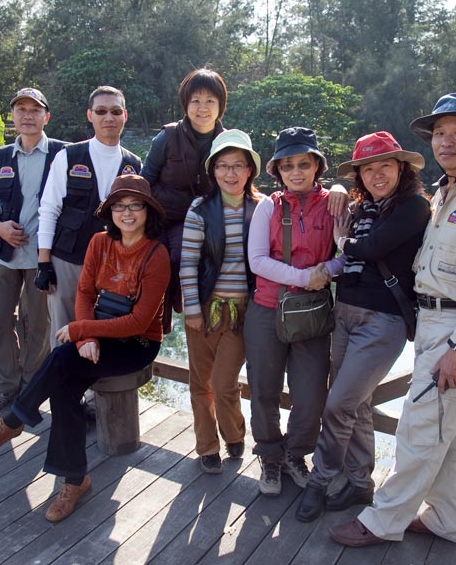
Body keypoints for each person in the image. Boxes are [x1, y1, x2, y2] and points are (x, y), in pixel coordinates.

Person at [330, 92, 456, 547]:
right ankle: (449, 519)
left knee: (420, 427)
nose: (447, 141)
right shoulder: (447, 191)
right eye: (440, 133)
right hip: (430, 320)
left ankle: (383, 520)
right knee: (449, 429)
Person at [0, 174, 170, 523]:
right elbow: (85, 293)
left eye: (135, 205)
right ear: (110, 212)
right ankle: (74, 480)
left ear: (148, 211)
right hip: (100, 333)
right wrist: (87, 338)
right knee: (64, 384)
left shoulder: (156, 254)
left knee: (61, 357)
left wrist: (80, 329)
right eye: (119, 206)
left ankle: (15, 421)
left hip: (136, 343)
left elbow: (139, 322)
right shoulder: (99, 243)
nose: (127, 212)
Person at [295, 131, 431, 522]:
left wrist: (342, 240)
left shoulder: (413, 206)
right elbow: (337, 204)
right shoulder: (361, 208)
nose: (377, 175)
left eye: (385, 166)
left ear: (401, 169)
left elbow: (370, 249)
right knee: (358, 404)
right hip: (345, 313)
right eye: (368, 169)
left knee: (338, 404)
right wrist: (338, 190)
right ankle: (359, 482)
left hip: (383, 321)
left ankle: (319, 481)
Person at [244, 127, 345, 496]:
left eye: (304, 164)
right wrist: (305, 276)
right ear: (278, 171)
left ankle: (295, 453)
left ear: (317, 165)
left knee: (311, 393)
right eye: (287, 166)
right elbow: (257, 260)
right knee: (263, 389)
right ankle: (270, 457)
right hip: (267, 309)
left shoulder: (334, 204)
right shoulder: (268, 206)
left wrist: (327, 270)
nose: (296, 172)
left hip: (312, 312)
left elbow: (349, 251)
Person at [180, 129, 263, 474]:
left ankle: (234, 433)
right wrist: (192, 310)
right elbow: (188, 263)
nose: (231, 173)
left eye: (238, 165)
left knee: (224, 381)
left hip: (243, 311)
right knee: (200, 383)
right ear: (213, 170)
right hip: (205, 306)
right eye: (223, 165)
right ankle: (207, 446)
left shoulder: (262, 208)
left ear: (250, 170)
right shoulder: (200, 209)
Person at [0, 88, 67, 412]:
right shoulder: (2, 156)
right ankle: (5, 383)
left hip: (44, 257)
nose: (28, 116)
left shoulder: (62, 153)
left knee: (38, 325)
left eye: (35, 110)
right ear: (13, 116)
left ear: (46, 116)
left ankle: (31, 386)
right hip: (6, 253)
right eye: (21, 110)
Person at [36, 86, 141, 349]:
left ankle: (96, 379)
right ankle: (60, 377)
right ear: (90, 115)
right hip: (67, 259)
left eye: (115, 111)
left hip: (114, 264)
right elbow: (49, 210)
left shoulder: (135, 164)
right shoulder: (68, 156)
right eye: (101, 111)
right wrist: (44, 262)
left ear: (125, 115)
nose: (109, 117)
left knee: (103, 334)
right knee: (63, 333)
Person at [141, 68, 227, 333]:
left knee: (184, 257)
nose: (203, 108)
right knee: (158, 261)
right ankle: (155, 327)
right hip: (162, 216)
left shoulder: (227, 142)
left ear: (220, 105)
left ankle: (189, 315)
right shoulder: (167, 137)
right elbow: (145, 181)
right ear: (185, 104)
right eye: (195, 100)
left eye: (210, 101)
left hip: (203, 221)